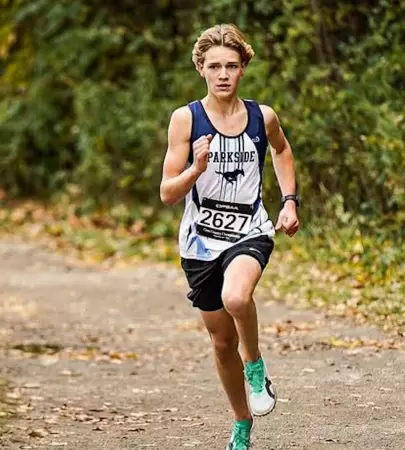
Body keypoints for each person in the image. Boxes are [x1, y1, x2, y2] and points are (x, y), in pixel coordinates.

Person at [159, 23, 300, 450]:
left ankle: (254, 365)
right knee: (222, 342)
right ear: (201, 68)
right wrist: (196, 169)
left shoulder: (262, 116)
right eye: (215, 66)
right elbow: (167, 193)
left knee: (237, 298)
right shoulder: (186, 119)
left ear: (243, 69)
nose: (223, 74)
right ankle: (241, 422)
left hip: (250, 230)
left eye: (232, 66)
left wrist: (289, 201)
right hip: (200, 241)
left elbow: (281, 150)